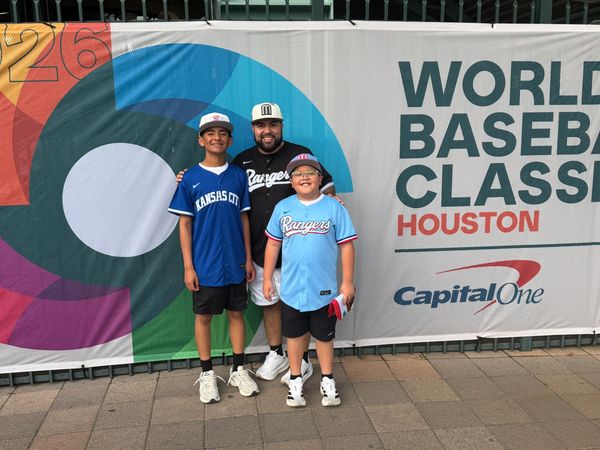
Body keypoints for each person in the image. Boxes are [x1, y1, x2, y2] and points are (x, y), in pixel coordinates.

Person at [178, 102, 335, 384]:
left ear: (281, 126)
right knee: (269, 302)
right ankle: (277, 353)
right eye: (261, 125)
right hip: (259, 249)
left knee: (299, 305)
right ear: (253, 129)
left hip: (296, 248)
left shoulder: (299, 155)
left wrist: (330, 201)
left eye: (273, 124)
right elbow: (217, 183)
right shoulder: (241, 162)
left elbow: (325, 185)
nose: (267, 130)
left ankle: (304, 360)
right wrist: (185, 178)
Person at [168, 112, 259, 403]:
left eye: (222, 133)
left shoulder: (238, 175)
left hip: (234, 261)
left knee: (236, 313)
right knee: (203, 316)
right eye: (210, 132)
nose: (216, 137)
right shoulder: (190, 178)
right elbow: (184, 224)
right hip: (205, 264)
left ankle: (238, 368)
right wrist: (188, 266)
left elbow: (244, 220)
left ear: (230, 139)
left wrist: (247, 258)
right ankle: (207, 373)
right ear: (201, 139)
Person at [263, 153, 357, 407]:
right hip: (292, 288)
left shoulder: (334, 207)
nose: (304, 177)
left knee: (325, 337)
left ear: (319, 178)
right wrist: (268, 278)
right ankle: (295, 379)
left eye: (310, 173)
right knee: (294, 336)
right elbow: (273, 243)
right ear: (291, 182)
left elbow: (347, 246)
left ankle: (327, 379)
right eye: (298, 174)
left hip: (323, 289)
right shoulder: (283, 207)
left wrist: (347, 282)